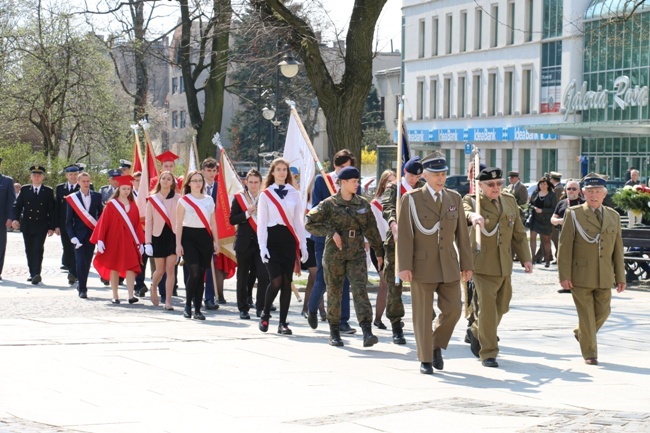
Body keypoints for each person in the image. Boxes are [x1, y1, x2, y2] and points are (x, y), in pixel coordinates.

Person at [397, 154, 473, 374]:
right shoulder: (411, 199)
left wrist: (466, 264)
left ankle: (436, 344)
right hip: (421, 266)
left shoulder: (454, 198)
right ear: (425, 176)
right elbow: (405, 235)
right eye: (436, 175)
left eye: (443, 174)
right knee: (422, 315)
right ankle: (426, 359)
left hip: (448, 264)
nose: (441, 179)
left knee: (454, 310)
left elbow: (462, 235)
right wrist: (404, 265)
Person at [306, 166, 383, 346]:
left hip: (356, 253)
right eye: (354, 181)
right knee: (334, 291)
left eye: (358, 181)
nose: (357, 184)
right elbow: (309, 222)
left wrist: (379, 252)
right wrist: (330, 231)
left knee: (359, 290)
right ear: (343, 182)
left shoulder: (363, 204)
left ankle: (367, 331)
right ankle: (334, 332)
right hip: (335, 253)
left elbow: (372, 230)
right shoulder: (329, 204)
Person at [464, 167, 533, 368]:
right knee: (486, 307)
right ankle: (489, 353)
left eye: (499, 184)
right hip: (481, 263)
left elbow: (518, 233)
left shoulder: (509, 200)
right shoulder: (472, 200)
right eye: (491, 184)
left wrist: (526, 258)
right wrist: (473, 217)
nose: (496, 187)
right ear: (480, 186)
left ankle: (477, 330)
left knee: (502, 306)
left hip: (504, 263)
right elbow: (465, 212)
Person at [558, 173, 626, 366]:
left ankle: (582, 333)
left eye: (597, 192)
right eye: (589, 192)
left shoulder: (613, 216)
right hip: (580, 274)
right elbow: (564, 247)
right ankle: (590, 353)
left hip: (605, 274)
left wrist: (620, 277)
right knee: (586, 315)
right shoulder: (574, 214)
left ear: (604, 194)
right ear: (584, 194)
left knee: (604, 311)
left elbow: (617, 250)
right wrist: (564, 275)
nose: (593, 195)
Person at [306, 149, 358, 334]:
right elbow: (316, 210)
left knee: (344, 280)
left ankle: (342, 321)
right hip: (325, 238)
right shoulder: (323, 180)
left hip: (346, 240)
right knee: (323, 276)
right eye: (343, 167)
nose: (347, 171)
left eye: (349, 168)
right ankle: (312, 309)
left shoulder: (352, 182)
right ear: (336, 166)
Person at [257, 158, 308, 335]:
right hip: (271, 239)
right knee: (276, 280)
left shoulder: (294, 193)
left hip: (288, 240)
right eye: (278, 169)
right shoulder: (265, 194)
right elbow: (261, 223)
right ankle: (265, 313)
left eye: (284, 170)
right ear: (272, 172)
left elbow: (298, 222)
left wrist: (303, 246)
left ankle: (283, 323)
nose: (281, 173)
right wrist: (262, 246)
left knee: (287, 281)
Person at [382, 156, 426, 344]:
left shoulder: (423, 187)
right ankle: (396, 324)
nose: (414, 180)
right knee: (395, 283)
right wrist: (393, 224)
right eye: (411, 177)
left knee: (423, 281)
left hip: (421, 241)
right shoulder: (394, 188)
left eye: (417, 177)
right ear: (405, 173)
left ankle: (424, 320)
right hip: (397, 242)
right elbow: (387, 207)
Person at [90, 175, 144, 304]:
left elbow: (137, 225)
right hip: (113, 240)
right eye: (124, 188)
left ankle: (131, 296)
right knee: (114, 267)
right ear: (119, 189)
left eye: (128, 189)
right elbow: (103, 222)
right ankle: (115, 295)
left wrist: (141, 242)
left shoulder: (133, 206)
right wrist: (101, 239)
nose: (126, 191)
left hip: (129, 241)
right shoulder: (111, 205)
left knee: (131, 266)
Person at [176, 171, 219, 320]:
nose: (197, 183)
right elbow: (179, 224)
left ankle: (197, 309)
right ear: (189, 183)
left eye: (199, 180)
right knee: (194, 271)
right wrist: (178, 244)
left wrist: (216, 241)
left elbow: (213, 222)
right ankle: (188, 305)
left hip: (205, 238)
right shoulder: (183, 200)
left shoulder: (209, 200)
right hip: (188, 237)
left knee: (201, 274)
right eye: (194, 180)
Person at [229, 169, 269, 319]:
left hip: (261, 242)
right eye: (250, 182)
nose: (253, 185)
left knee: (263, 275)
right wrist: (247, 213)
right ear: (246, 182)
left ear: (260, 183)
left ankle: (261, 308)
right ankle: (243, 308)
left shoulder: (265, 198)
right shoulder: (239, 198)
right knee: (243, 277)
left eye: (256, 182)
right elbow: (232, 219)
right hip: (244, 243)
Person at [11, 165, 55, 285]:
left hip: (41, 225)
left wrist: (52, 226)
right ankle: (32, 273)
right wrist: (15, 219)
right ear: (31, 177)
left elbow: (52, 210)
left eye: (39, 175)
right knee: (29, 249)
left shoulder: (48, 191)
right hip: (27, 224)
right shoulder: (25, 189)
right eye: (34, 175)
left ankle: (37, 273)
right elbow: (17, 205)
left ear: (43, 177)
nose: (36, 177)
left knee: (37, 249)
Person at [65, 172, 103, 298]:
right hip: (78, 236)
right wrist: (72, 237)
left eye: (88, 181)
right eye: (84, 181)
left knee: (87, 262)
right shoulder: (73, 198)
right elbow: (69, 221)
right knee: (80, 262)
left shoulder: (97, 196)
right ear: (79, 182)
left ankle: (82, 284)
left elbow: (101, 216)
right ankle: (83, 289)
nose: (86, 184)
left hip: (92, 234)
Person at [145, 171, 180, 310]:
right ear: (159, 181)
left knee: (170, 269)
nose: (165, 181)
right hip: (158, 236)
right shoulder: (153, 199)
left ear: (172, 182)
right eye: (163, 178)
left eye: (169, 179)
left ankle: (168, 301)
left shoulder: (178, 198)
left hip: (173, 235)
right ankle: (153, 287)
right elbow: (149, 222)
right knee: (160, 270)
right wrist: (147, 242)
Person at [369, 169, 395, 330]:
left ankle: (393, 317)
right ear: (383, 183)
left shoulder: (399, 202)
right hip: (379, 246)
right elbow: (372, 229)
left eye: (394, 181)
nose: (391, 184)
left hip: (395, 246)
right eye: (389, 181)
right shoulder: (375, 204)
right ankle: (378, 318)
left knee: (393, 284)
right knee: (385, 283)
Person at [201, 157, 227, 308]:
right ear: (203, 171)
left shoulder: (220, 188)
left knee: (212, 266)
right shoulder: (196, 186)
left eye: (214, 171)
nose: (211, 174)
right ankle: (194, 296)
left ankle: (209, 298)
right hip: (197, 230)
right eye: (208, 171)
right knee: (196, 267)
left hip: (214, 230)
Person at [551, 180, 585, 294]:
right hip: (564, 236)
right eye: (569, 188)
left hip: (580, 237)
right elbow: (553, 219)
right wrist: (562, 221)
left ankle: (577, 285)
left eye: (574, 189)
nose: (571, 191)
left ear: (579, 191)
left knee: (577, 261)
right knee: (564, 260)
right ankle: (566, 285)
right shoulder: (562, 203)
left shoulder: (584, 204)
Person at [55, 164, 81, 284]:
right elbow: (57, 208)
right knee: (67, 248)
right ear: (66, 176)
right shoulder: (60, 188)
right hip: (65, 224)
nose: (73, 177)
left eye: (75, 174)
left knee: (77, 248)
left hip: (79, 224)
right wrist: (56, 226)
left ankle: (74, 272)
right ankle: (72, 271)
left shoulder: (85, 186)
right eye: (71, 174)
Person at [528, 177, 558, 268]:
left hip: (546, 220)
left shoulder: (552, 195)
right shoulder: (536, 193)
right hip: (535, 219)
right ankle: (532, 258)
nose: (542, 185)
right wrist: (534, 208)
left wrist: (542, 210)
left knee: (546, 240)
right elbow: (530, 204)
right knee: (532, 237)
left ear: (548, 185)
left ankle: (547, 259)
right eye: (541, 184)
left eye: (544, 184)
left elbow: (554, 208)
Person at [0, 158, 16, 281]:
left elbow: (12, 201)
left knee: (0, 246)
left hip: (2, 219)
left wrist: (11, 217)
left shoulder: (7, 181)